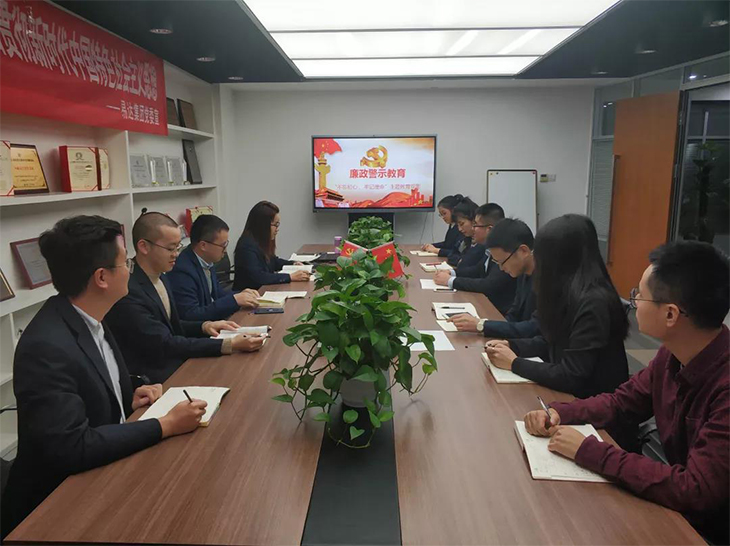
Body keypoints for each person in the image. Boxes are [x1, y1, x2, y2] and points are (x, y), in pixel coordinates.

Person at [0, 216, 208, 538]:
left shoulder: (90, 316)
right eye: (125, 263)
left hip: (104, 471)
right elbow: (73, 446)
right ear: (101, 277)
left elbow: (91, 387)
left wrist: (128, 395)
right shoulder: (46, 346)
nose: (130, 270)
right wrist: (165, 425)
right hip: (55, 507)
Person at [522, 241, 729, 545]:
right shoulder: (672, 355)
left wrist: (588, 450)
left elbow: (695, 490)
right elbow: (622, 403)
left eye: (639, 295)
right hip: (677, 508)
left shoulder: (724, 384)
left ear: (670, 315)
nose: (633, 303)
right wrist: (559, 412)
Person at [106, 212, 264, 384]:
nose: (176, 254)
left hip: (174, 359)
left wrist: (205, 326)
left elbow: (172, 326)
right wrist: (228, 344)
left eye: (178, 247)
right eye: (170, 248)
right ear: (144, 246)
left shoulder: (162, 275)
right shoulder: (129, 291)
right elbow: (164, 343)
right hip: (155, 377)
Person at [485, 214, 629, 399]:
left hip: (589, 403)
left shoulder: (593, 302)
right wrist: (512, 346)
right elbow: (549, 341)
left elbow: (572, 375)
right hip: (566, 394)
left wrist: (514, 363)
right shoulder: (564, 290)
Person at [450, 218, 540, 339]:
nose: (501, 268)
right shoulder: (522, 273)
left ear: (523, 251)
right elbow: (513, 314)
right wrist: (496, 332)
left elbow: (533, 328)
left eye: (502, 262)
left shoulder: (548, 280)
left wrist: (482, 325)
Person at [167, 214, 260, 321]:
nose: (225, 250)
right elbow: (191, 314)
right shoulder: (182, 270)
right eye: (223, 245)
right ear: (203, 245)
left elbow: (218, 294)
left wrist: (241, 295)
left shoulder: (206, 261)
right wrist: (234, 300)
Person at [434, 203, 516, 314]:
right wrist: (452, 272)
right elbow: (477, 270)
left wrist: (451, 281)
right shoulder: (489, 248)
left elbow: (488, 284)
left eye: (476, 225)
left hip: (498, 311)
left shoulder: (504, 250)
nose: (473, 228)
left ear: (489, 229)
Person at [233, 201, 310, 290]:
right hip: (249, 294)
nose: (277, 229)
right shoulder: (246, 246)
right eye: (275, 225)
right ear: (263, 225)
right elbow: (259, 277)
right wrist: (290, 277)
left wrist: (293, 264)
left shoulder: (259, 241)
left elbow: (273, 261)